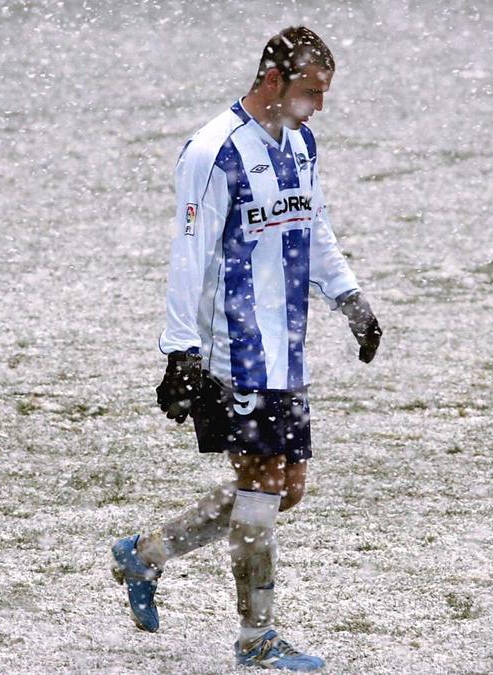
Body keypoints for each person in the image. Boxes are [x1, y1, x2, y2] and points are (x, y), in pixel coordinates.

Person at [111, 25, 381, 672]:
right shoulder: (213, 152)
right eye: (310, 92)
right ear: (272, 80)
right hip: (234, 354)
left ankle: (143, 554)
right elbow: (189, 254)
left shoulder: (301, 144)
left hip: (288, 350)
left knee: (285, 489)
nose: (317, 107)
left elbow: (314, 228)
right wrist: (181, 354)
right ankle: (257, 635)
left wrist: (351, 300)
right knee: (258, 490)